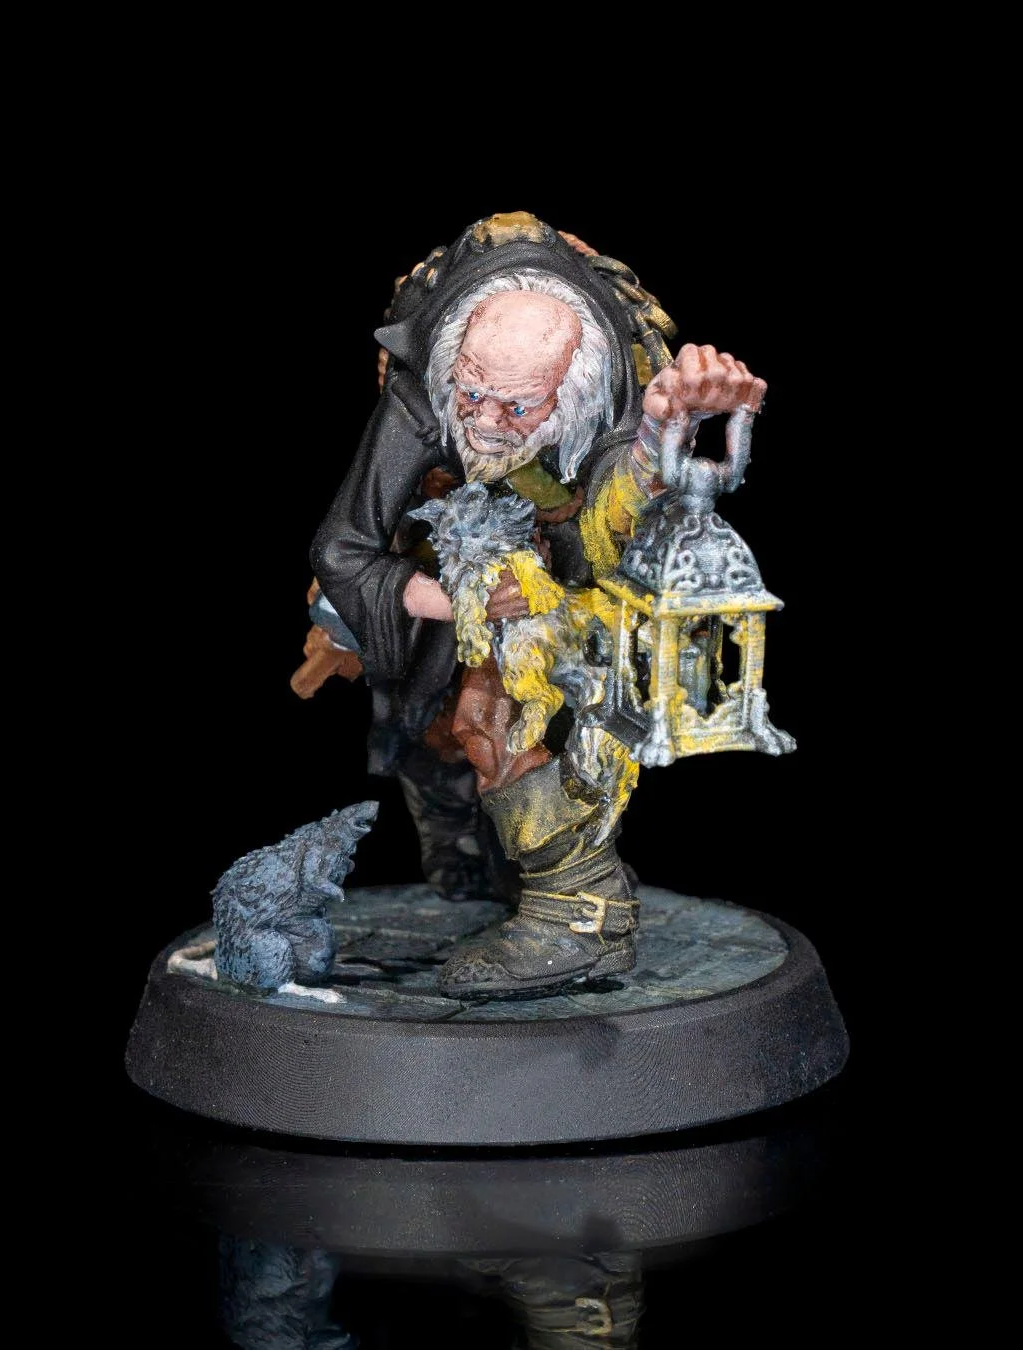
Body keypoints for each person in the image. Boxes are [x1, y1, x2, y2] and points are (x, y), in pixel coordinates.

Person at [302, 212, 765, 999]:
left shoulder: (614, 388)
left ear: (571, 390)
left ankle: (578, 910)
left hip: (558, 578)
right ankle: (472, 851)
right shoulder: (426, 388)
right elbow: (343, 548)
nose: (485, 423)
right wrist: (459, 600)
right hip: (448, 562)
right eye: (472, 394)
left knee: (503, 712)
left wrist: (659, 439)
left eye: (517, 408)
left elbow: (610, 530)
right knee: (431, 723)